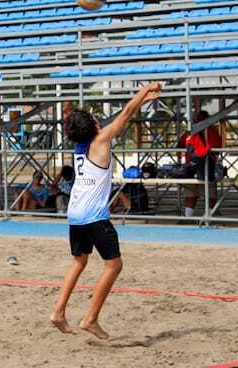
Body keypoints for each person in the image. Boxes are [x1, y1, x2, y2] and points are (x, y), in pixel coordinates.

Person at [50, 82, 161, 340]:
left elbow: (122, 113)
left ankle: (58, 312)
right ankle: (90, 318)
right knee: (114, 265)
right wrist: (145, 90)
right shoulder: (100, 140)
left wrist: (144, 101)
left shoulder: (79, 145)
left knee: (79, 261)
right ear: (93, 126)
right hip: (94, 216)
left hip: (75, 212)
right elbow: (126, 112)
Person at [177, 110, 222, 217]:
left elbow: (179, 146)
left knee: (201, 193)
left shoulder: (206, 132)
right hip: (198, 167)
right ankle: (203, 216)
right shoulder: (203, 132)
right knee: (198, 193)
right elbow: (180, 145)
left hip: (201, 167)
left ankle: (202, 216)